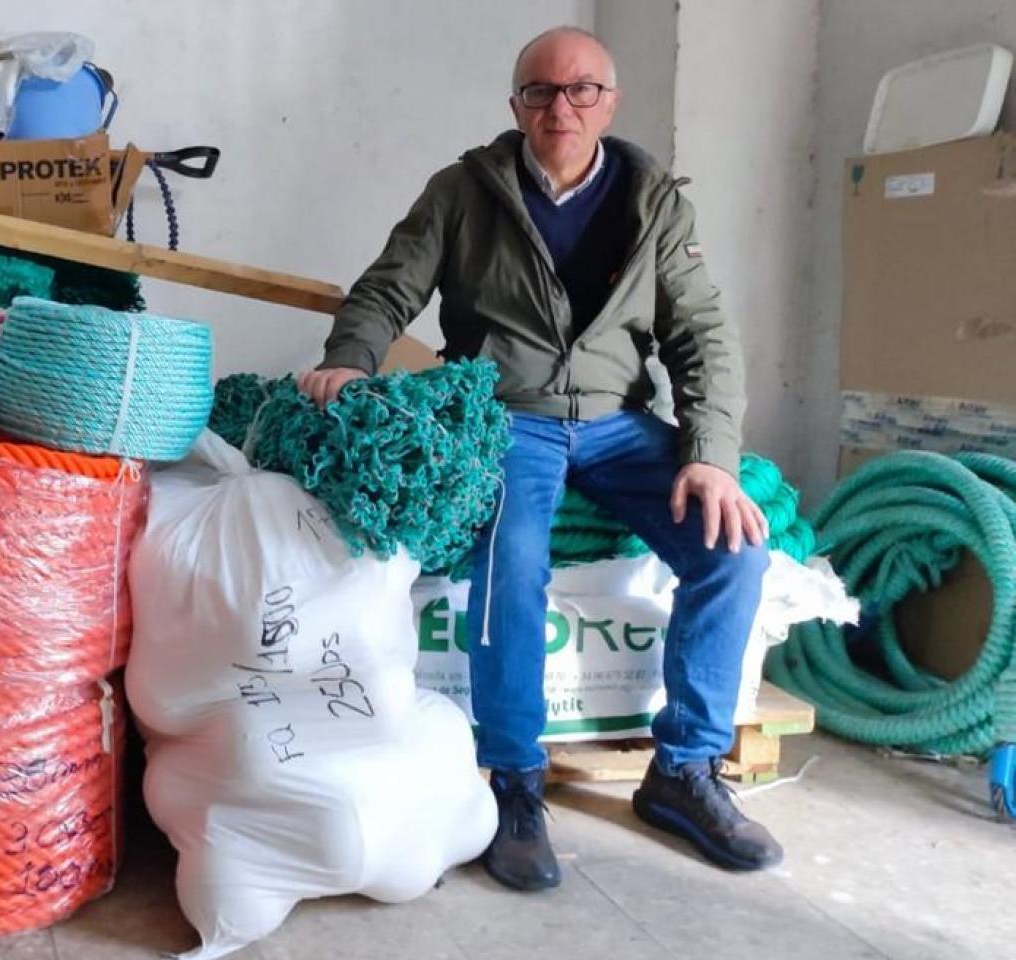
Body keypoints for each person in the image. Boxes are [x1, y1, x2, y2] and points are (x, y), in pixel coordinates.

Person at [299, 25, 782, 892]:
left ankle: (684, 770)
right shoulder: (462, 191)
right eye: (540, 91)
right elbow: (388, 286)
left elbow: (702, 332)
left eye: (581, 90)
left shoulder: (655, 202)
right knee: (509, 559)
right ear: (515, 103)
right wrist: (350, 357)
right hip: (506, 417)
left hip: (619, 422)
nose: (561, 107)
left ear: (610, 101)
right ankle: (515, 783)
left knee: (736, 552)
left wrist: (711, 454)